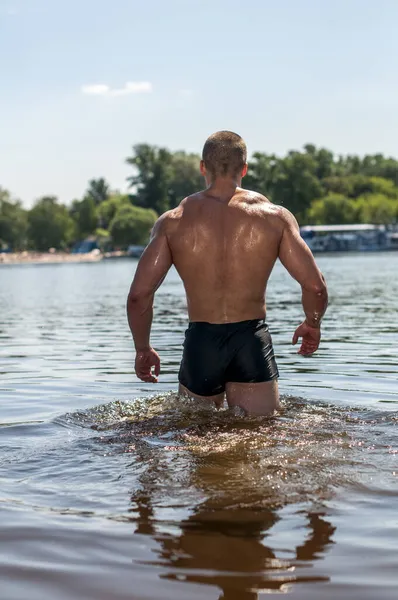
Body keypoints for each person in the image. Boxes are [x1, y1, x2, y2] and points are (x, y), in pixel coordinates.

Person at [127, 131, 328, 415]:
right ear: (244, 168)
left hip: (201, 342)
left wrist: (143, 348)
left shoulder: (173, 222)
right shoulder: (274, 217)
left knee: (195, 437)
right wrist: (313, 323)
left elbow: (139, 295)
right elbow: (316, 287)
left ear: (202, 167)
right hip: (251, 339)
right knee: (259, 437)